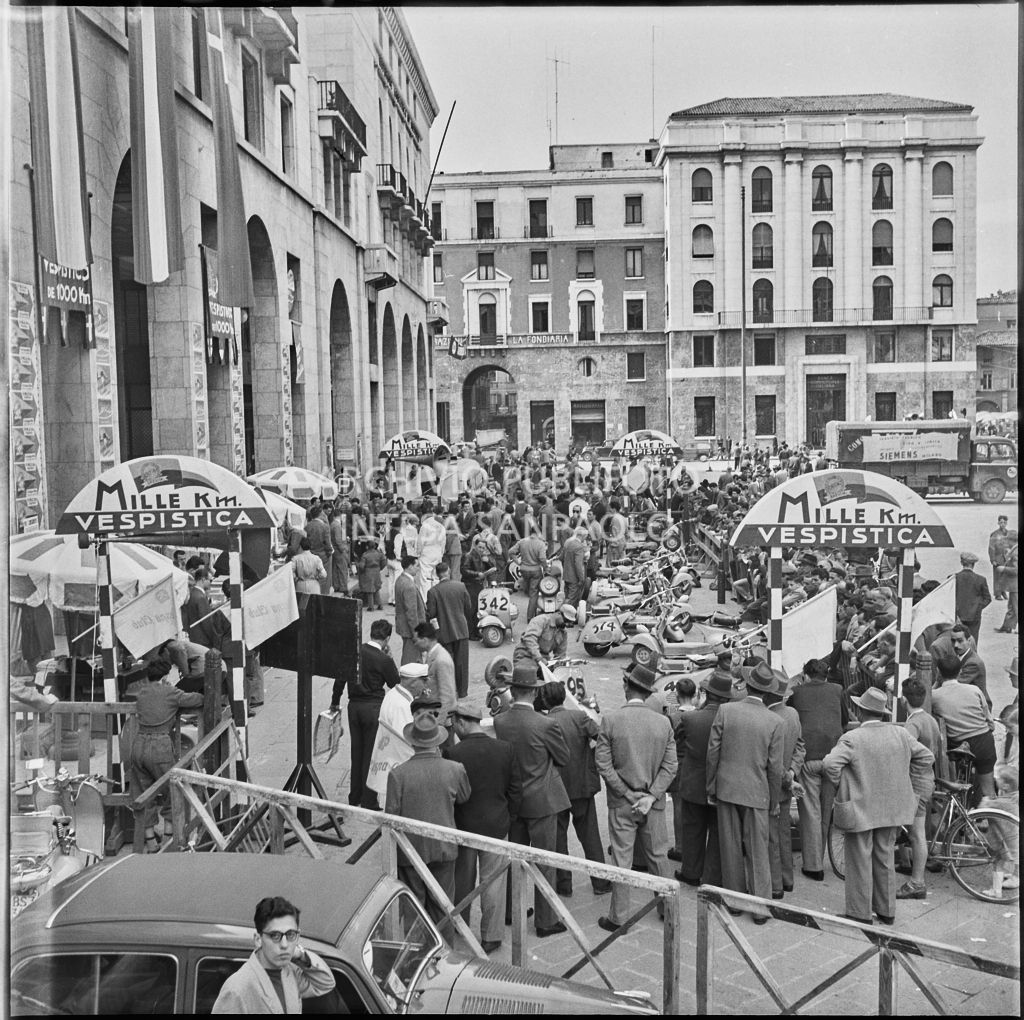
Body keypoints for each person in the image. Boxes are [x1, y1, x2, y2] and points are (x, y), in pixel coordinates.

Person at [823, 687, 935, 926]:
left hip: (861, 807)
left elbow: (830, 764)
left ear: (860, 711)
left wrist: (843, 784)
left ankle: (860, 912)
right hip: (891, 807)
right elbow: (927, 757)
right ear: (882, 713)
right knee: (885, 856)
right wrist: (904, 779)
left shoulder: (852, 738)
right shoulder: (900, 733)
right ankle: (886, 910)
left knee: (859, 859)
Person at [594, 663, 677, 932]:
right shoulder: (663, 723)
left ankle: (619, 917)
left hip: (622, 803)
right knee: (658, 857)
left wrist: (627, 793)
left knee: (621, 860)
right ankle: (668, 910)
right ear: (649, 692)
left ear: (626, 687)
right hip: (653, 804)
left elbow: (603, 764)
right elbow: (670, 766)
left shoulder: (611, 720)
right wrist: (651, 796)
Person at [492, 661, 571, 938]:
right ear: (535, 692)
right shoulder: (546, 724)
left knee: (514, 859)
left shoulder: (500, 721)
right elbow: (563, 757)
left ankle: (512, 911)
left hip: (514, 800)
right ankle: (545, 921)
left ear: (512, 691)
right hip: (542, 800)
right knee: (544, 861)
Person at [705, 660, 785, 921]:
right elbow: (775, 767)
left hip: (727, 788)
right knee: (758, 850)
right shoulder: (775, 721)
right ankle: (760, 908)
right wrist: (774, 799)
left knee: (730, 847)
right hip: (757, 792)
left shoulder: (726, 710)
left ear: (748, 685)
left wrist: (711, 786)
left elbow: (713, 752)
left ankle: (735, 902)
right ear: (768, 693)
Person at [446, 700, 523, 954]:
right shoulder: (505, 749)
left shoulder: (454, 753)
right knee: (494, 884)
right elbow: (515, 790)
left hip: (464, 826)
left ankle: (461, 925)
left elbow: (452, 794)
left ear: (460, 723)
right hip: (497, 825)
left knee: (463, 881)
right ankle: (492, 936)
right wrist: (508, 818)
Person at [385, 714, 471, 921]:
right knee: (443, 907)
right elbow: (464, 796)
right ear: (437, 742)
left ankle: (419, 943)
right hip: (443, 847)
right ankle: (443, 942)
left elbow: (390, 817)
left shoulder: (398, 775)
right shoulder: (455, 769)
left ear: (413, 743)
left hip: (410, 850)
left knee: (414, 910)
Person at [537, 681, 612, 897]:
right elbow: (602, 737)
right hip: (582, 785)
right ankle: (600, 882)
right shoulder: (579, 717)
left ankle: (564, 885)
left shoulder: (543, 722)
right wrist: (591, 759)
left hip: (556, 788)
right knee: (590, 835)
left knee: (559, 838)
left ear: (545, 701)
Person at [128, 663, 205, 851]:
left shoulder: (142, 692)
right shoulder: (170, 692)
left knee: (144, 792)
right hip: (159, 745)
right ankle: (169, 838)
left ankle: (150, 842)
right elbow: (197, 699)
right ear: (165, 676)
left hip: (138, 744)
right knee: (173, 789)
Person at [211, 896, 335, 1013]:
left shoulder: (290, 973)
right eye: (275, 936)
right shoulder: (237, 988)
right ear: (258, 939)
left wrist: (300, 954)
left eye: (291, 935)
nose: (284, 944)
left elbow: (326, 983)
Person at [673, 668, 733, 887]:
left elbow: (678, 741)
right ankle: (712, 876)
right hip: (721, 784)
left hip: (693, 782)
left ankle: (690, 872)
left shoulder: (690, 718)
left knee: (692, 829)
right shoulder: (731, 720)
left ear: (706, 693)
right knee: (717, 832)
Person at [789, 657, 848, 881]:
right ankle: (820, 858)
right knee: (825, 810)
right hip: (833, 757)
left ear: (806, 675)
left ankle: (814, 866)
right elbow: (844, 720)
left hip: (808, 756)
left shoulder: (797, 692)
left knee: (810, 811)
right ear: (826, 675)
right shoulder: (837, 690)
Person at [339, 618, 400, 808]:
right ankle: (368, 800)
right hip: (373, 708)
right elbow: (395, 683)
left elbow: (339, 679)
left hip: (354, 707)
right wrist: (390, 658)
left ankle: (354, 796)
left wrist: (334, 702)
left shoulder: (355, 653)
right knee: (371, 755)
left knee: (356, 752)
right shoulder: (383, 659)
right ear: (387, 639)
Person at [895, 677, 943, 900]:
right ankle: (906, 862)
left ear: (904, 700)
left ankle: (917, 883)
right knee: (914, 831)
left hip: (915, 782)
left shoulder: (912, 724)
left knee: (917, 834)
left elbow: (905, 752)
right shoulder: (930, 720)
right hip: (927, 779)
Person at [931, 658, 998, 804]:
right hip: (984, 742)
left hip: (959, 748)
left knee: (957, 788)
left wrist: (937, 682)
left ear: (938, 672)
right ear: (960, 671)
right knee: (989, 791)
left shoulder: (934, 696)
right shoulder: (974, 690)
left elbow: (926, 699)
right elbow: (990, 722)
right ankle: (991, 814)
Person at [763, 677, 806, 900]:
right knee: (783, 834)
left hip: (770, 784)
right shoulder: (792, 714)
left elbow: (771, 761)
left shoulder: (767, 717)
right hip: (787, 781)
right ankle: (787, 879)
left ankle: (776, 884)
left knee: (771, 836)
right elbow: (800, 746)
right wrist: (792, 772)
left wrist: (787, 777)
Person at [366, 662, 428, 802]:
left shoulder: (393, 694)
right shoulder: (402, 706)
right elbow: (407, 742)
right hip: (398, 774)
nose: (425, 686)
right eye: (423, 681)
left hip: (389, 768)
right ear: (413, 682)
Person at [426, 563, 474, 699]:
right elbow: (468, 607)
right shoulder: (461, 586)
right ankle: (462, 691)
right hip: (461, 629)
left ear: (437, 574)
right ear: (449, 571)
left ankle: (449, 691)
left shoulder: (433, 591)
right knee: (462, 663)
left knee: (447, 663)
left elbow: (431, 613)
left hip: (444, 632)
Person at [413, 622, 457, 732]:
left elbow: (447, 696)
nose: (415, 644)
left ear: (425, 640)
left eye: (416, 640)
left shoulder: (441, 660)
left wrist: (438, 724)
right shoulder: (431, 655)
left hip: (441, 720)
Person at [954, 551, 992, 647]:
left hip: (957, 616)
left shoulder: (954, 578)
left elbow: (948, 598)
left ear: (961, 563)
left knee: (957, 642)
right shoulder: (981, 579)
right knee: (972, 640)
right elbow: (987, 598)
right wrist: (978, 607)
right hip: (974, 616)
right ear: (973, 564)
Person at [394, 555, 427, 665]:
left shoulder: (400, 579)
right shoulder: (409, 585)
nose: (419, 569)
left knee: (413, 656)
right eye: (417, 566)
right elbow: (411, 613)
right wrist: (416, 633)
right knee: (410, 658)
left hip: (403, 626)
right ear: (410, 566)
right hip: (410, 629)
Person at [509, 530, 548, 620]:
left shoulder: (522, 541)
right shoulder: (540, 544)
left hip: (524, 570)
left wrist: (517, 561)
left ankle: (533, 608)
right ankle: (530, 616)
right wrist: (546, 568)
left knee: (529, 591)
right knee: (534, 593)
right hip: (535, 570)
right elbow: (542, 558)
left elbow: (511, 551)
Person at [305, 506, 334, 596]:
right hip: (323, 554)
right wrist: (330, 552)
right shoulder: (325, 527)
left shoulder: (307, 527)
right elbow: (327, 543)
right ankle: (324, 594)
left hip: (311, 554)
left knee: (313, 576)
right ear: (320, 514)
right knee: (324, 577)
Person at [995, 530, 1018, 634]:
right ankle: (1007, 626)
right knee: (1012, 606)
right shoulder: (1014, 549)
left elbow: (1016, 570)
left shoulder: (1016, 552)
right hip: (1013, 585)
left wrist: (1003, 569)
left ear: (1011, 540)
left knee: (1016, 607)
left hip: (1015, 585)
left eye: (1007, 539)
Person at [560, 528, 589, 609]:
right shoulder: (579, 547)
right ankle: (567, 614)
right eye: (585, 537)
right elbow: (578, 565)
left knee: (567, 596)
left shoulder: (568, 543)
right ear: (582, 536)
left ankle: (564, 612)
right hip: (574, 577)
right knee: (572, 599)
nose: (585, 539)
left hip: (566, 575)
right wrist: (581, 578)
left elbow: (561, 557)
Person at [355, 541, 386, 611]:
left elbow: (362, 566)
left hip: (368, 573)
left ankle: (371, 607)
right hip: (377, 572)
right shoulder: (379, 554)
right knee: (376, 589)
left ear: (367, 547)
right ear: (375, 546)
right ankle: (380, 605)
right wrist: (379, 568)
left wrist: (357, 564)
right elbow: (384, 562)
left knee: (370, 591)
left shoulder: (365, 555)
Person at [329, 507, 350, 596]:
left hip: (335, 550)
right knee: (342, 569)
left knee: (336, 569)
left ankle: (337, 586)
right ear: (340, 515)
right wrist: (343, 549)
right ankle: (343, 588)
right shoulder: (337, 525)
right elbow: (338, 540)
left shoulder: (332, 524)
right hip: (339, 550)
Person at [989, 515, 1011, 600]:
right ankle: (997, 594)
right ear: (998, 523)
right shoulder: (995, 534)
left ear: (1006, 523)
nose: (1003, 524)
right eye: (1001, 522)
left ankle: (1003, 591)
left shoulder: (1009, 534)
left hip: (1006, 559)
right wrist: (993, 559)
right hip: (998, 558)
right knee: (998, 576)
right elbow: (991, 548)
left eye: (1004, 522)